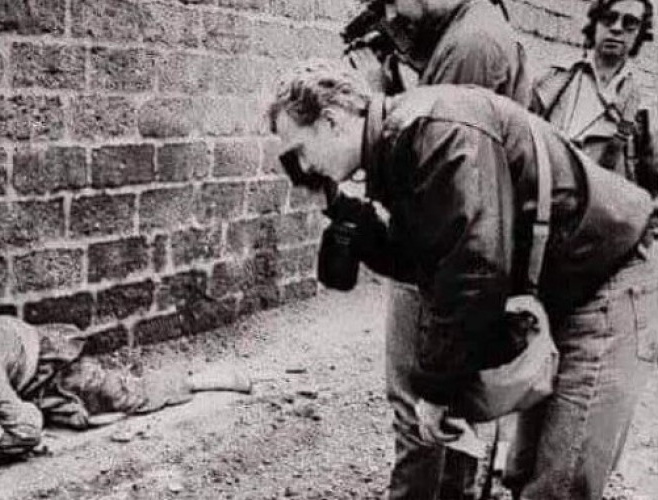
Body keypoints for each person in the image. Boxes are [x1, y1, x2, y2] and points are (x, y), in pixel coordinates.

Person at [268, 60, 658, 500]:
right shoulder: (400, 147)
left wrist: (437, 391)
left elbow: (475, 270)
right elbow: (432, 262)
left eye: (300, 151)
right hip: (566, 283)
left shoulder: (436, 132)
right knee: (525, 470)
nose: (302, 167)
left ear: (331, 121)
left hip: (610, 273)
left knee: (561, 483)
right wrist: (355, 223)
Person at [338, 0, 531, 497]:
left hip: (443, 249)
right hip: (458, 241)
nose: (390, 12)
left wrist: (377, 96)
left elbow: (431, 158)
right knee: (453, 404)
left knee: (417, 406)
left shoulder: (472, 44)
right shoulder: (472, 30)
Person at [0, 315, 252, 456]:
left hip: (46, 364)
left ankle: (197, 379)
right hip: (8, 373)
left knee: (118, 395)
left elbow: (27, 429)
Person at [530, 0, 658, 195]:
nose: (616, 28)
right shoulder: (554, 80)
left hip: (604, 208)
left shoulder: (644, 109)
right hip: (542, 201)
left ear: (640, 33)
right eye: (609, 18)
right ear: (595, 23)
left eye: (629, 23)